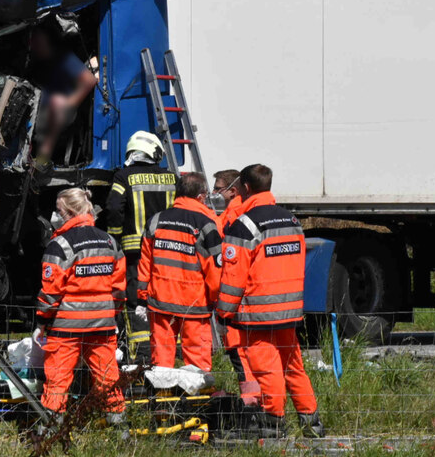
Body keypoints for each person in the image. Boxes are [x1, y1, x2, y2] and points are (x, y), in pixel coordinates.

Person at [216, 164, 325, 438]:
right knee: (293, 365)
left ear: (246, 188)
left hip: (258, 312)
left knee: (267, 370)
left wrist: (224, 312)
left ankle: (273, 423)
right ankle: (311, 421)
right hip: (289, 309)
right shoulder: (291, 221)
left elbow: (233, 275)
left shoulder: (244, 225)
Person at [35, 188, 127, 435]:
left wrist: (41, 321)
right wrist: (111, 313)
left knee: (57, 381)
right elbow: (119, 288)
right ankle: (121, 431)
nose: (55, 214)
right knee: (109, 378)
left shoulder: (59, 245)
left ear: (69, 211)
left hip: (67, 327)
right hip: (102, 325)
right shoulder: (109, 241)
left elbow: (51, 292)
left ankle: (50, 434)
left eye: (58, 209)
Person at [137, 172, 221, 371]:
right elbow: (215, 271)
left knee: (161, 362)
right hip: (195, 304)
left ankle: (163, 400)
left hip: (160, 303)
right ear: (201, 196)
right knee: (197, 362)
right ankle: (197, 401)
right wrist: (217, 301)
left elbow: (144, 264)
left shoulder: (156, 220)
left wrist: (142, 297)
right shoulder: (206, 225)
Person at [105, 131, 176, 364]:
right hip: (168, 251)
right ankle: (169, 352)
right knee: (165, 298)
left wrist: (114, 240)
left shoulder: (123, 177)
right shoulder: (172, 178)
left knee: (136, 301)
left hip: (134, 252)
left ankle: (141, 357)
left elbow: (114, 208)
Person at [211, 168, 260, 408]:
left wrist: (225, 307)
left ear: (232, 191)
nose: (213, 193)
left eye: (218, 188)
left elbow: (230, 261)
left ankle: (252, 403)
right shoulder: (235, 212)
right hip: (244, 295)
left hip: (236, 297)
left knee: (240, 352)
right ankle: (256, 400)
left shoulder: (235, 216)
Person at [25, 22, 97, 165]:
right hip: (38, 109)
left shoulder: (63, 58)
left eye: (38, 39)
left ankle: (43, 157)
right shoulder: (35, 63)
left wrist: (70, 102)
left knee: (56, 103)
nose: (34, 43)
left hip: (64, 111)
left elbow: (89, 80)